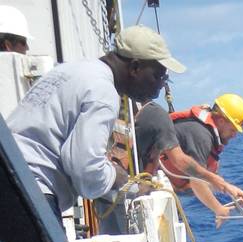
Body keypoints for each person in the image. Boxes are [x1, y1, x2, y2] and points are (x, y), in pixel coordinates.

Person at [6, 25, 185, 225]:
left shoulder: (69, 70)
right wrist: (121, 179)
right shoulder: (103, 92)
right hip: (29, 192)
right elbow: (86, 171)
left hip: (10, 176)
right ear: (135, 68)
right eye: (158, 76)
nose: (161, 85)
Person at [134, 100, 243, 227]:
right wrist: (218, 209)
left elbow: (205, 179)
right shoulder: (202, 136)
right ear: (221, 121)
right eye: (233, 129)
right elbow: (197, 181)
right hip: (141, 176)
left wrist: (231, 192)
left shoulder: (205, 133)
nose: (234, 135)